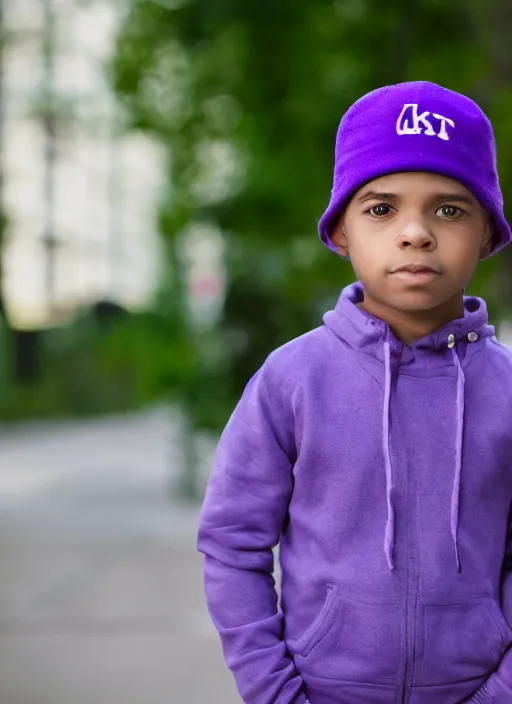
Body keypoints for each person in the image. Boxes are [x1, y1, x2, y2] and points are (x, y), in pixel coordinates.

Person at [196, 81, 512, 704]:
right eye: (381, 208)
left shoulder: (508, 390)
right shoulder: (291, 380)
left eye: (449, 209)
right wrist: (274, 692)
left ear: (487, 233)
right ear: (340, 230)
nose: (415, 232)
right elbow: (232, 546)